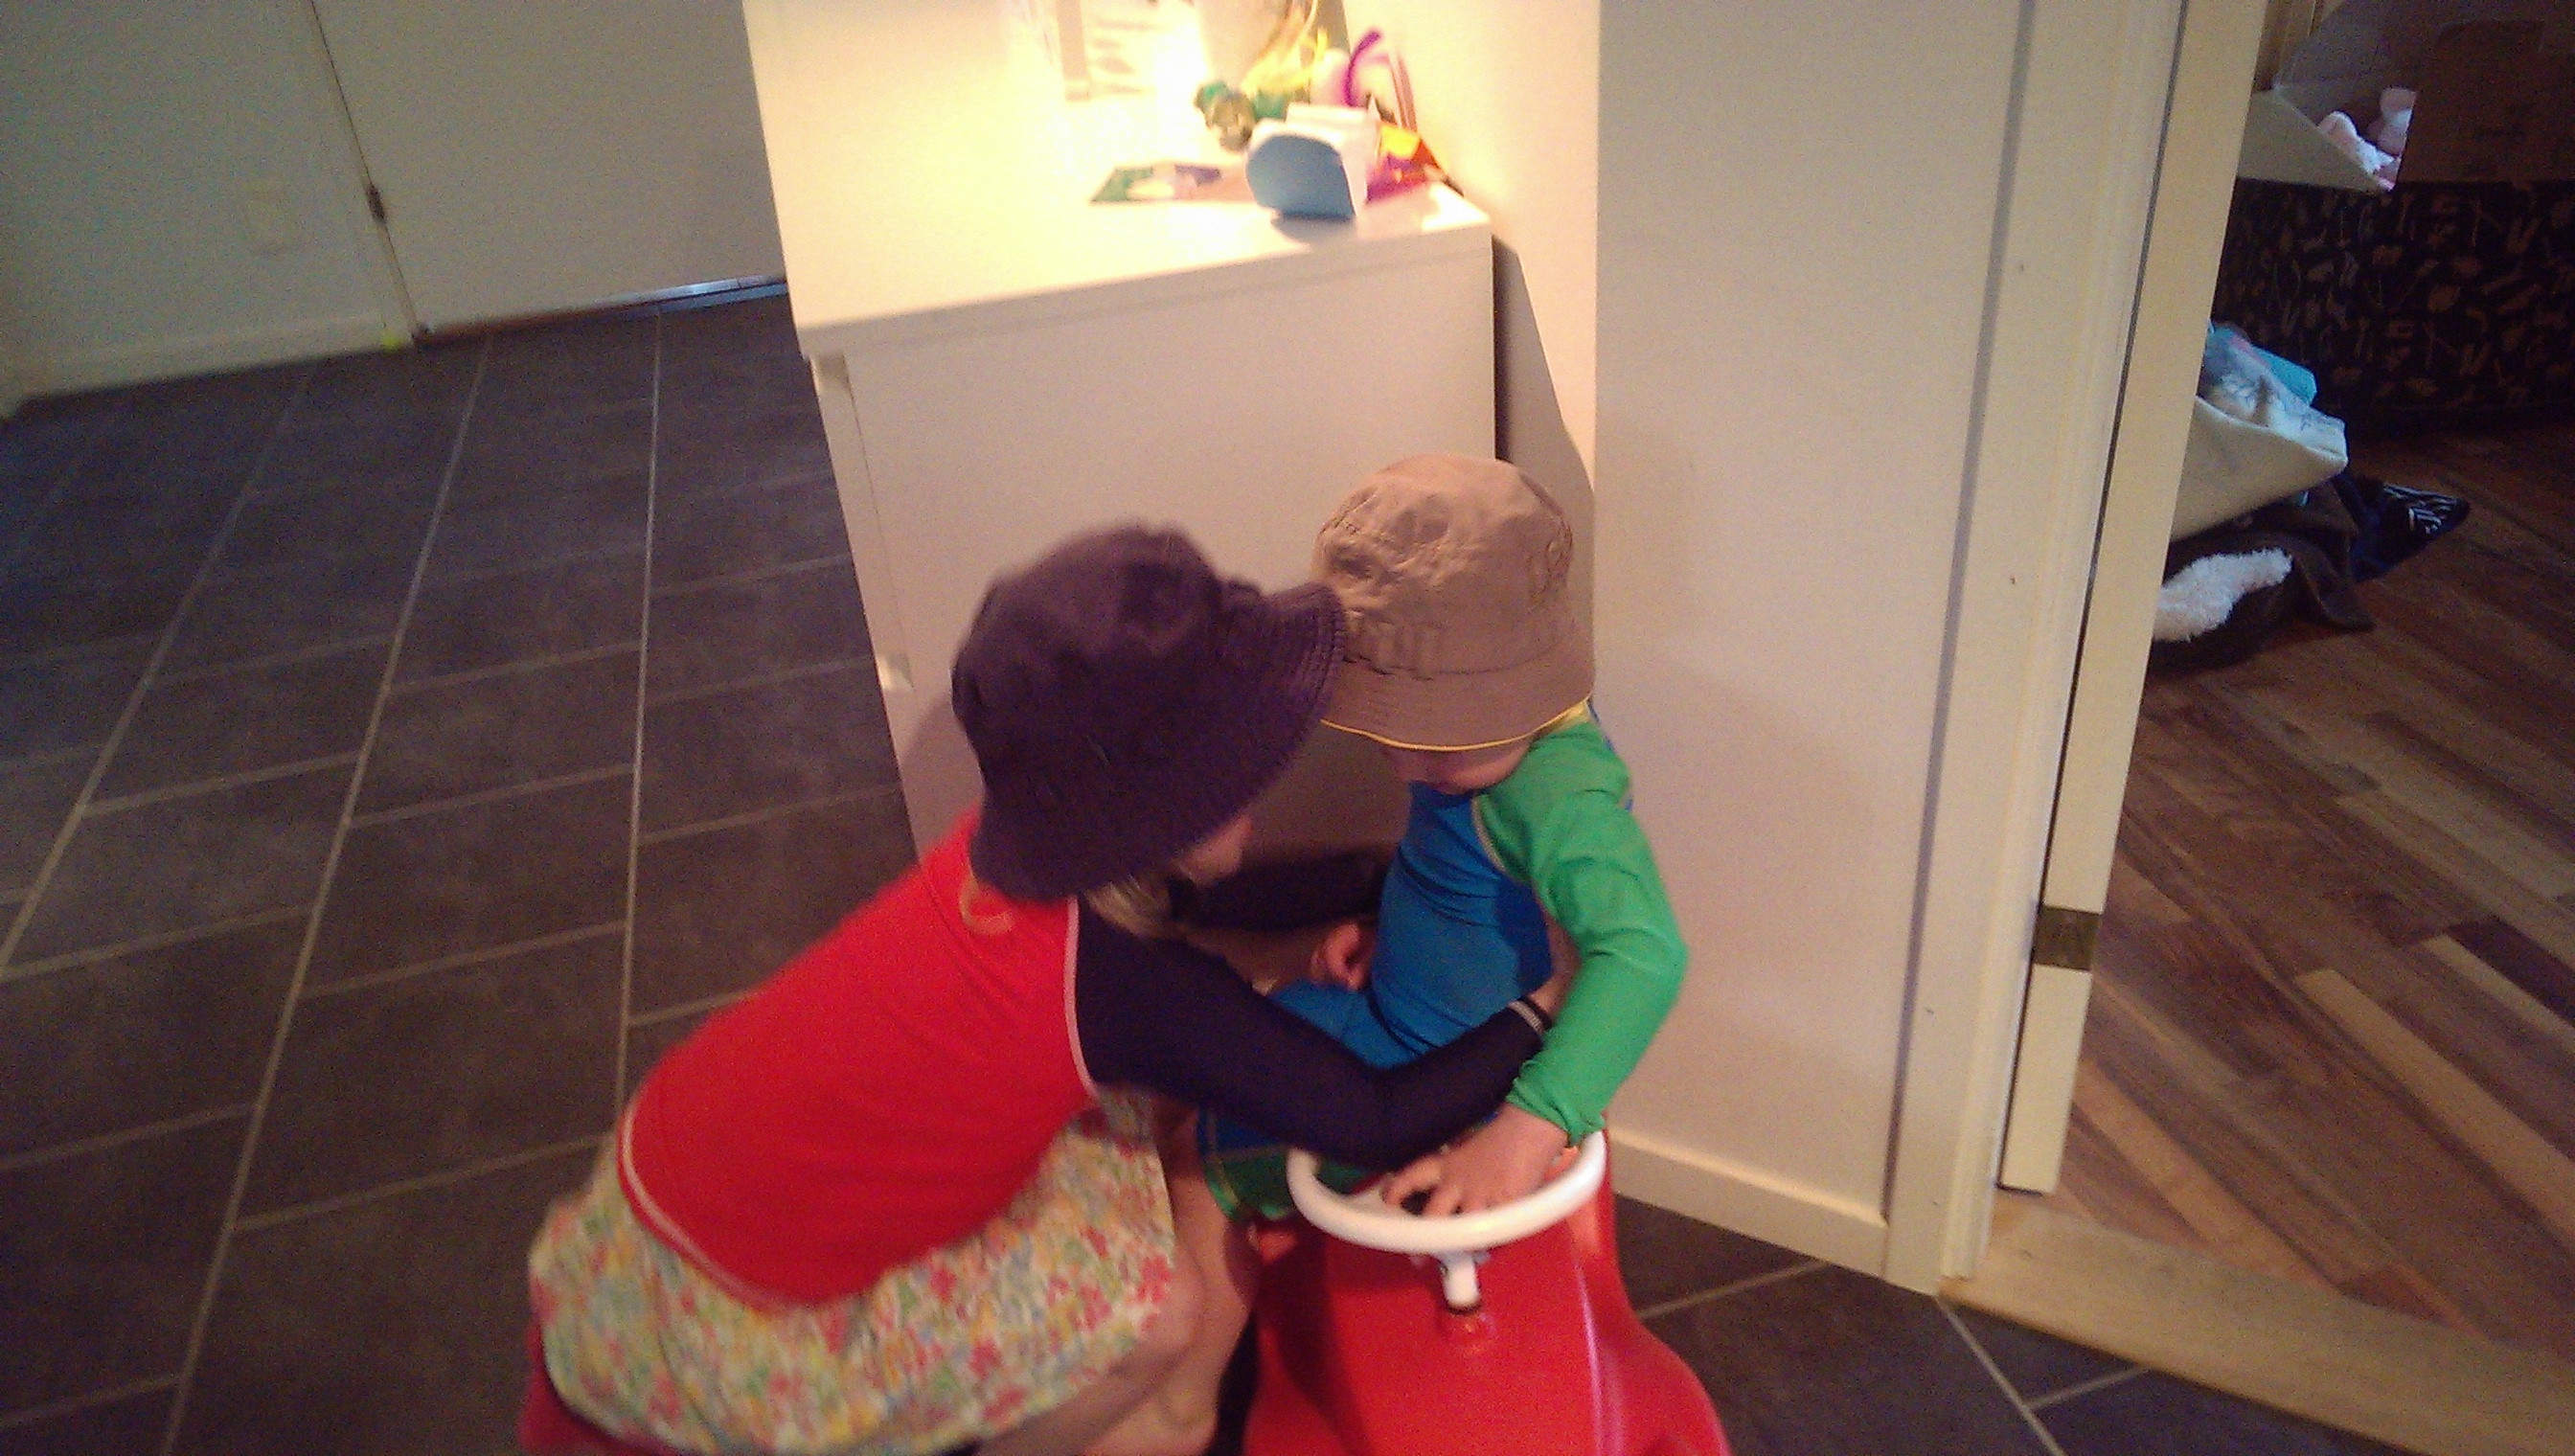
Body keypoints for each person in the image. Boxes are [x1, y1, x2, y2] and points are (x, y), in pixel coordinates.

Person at [523, 526, 1566, 1456]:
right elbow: (1374, 1115)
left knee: (1146, 1149)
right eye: (1241, 776)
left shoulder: (1030, 851)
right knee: (1161, 1311)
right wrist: (1550, 1001)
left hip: (674, 1162)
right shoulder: (1117, 985)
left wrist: (1389, 882)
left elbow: (1209, 894)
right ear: (1163, 814)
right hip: (728, 1310)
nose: (1261, 793)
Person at [1165, 454, 1688, 1428]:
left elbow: (1647, 954)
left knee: (1197, 1157)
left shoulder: (1558, 798)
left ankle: (1176, 1409)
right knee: (1216, 1040)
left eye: (1435, 739)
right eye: (1391, 732)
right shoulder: (1507, 744)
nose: (1405, 763)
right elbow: (1480, 889)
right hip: (1398, 1011)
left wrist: (1522, 1132)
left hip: (1436, 1075)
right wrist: (1398, 929)